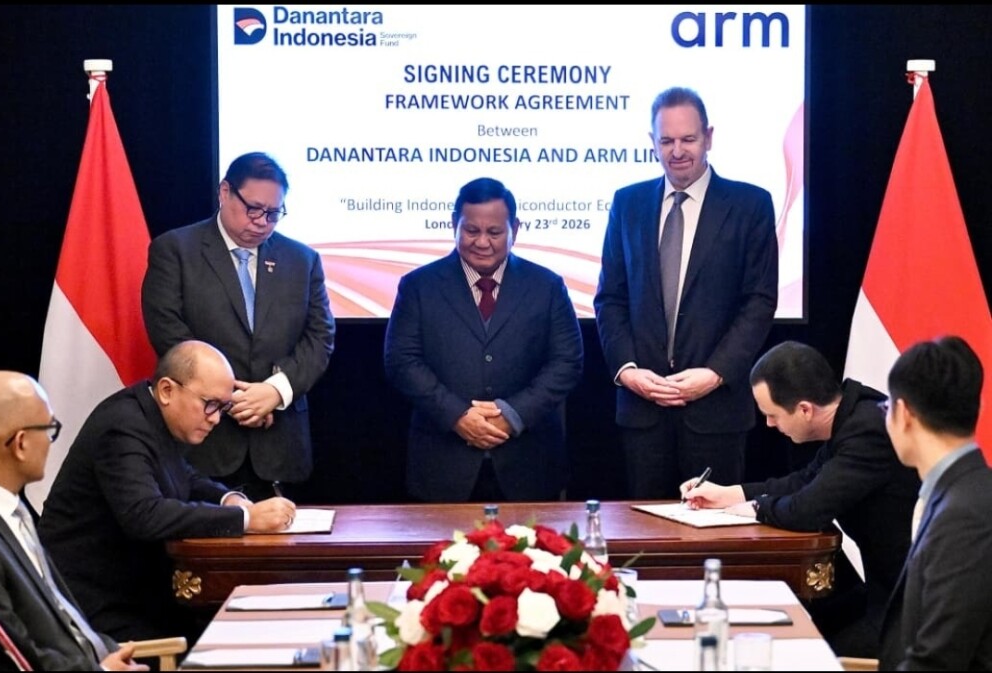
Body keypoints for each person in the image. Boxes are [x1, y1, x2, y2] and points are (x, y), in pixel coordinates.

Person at [38, 341, 297, 645]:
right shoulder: (122, 427)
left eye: (222, 408)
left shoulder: (153, 416)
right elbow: (144, 515)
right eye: (210, 404)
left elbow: (182, 476)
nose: (216, 418)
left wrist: (229, 498)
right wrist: (245, 519)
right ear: (166, 390)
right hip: (94, 608)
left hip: (141, 595)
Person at [594, 85, 778, 499]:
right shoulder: (627, 204)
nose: (677, 151)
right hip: (643, 411)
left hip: (716, 412)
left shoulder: (750, 205)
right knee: (645, 532)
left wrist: (715, 374)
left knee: (712, 527)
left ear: (708, 137)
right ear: (652, 142)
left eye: (688, 139)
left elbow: (759, 300)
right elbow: (611, 298)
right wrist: (627, 371)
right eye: (666, 141)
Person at [680, 341, 919, 657]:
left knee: (813, 651)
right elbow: (804, 481)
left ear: (805, 409)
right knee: (804, 622)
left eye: (773, 415)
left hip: (912, 607)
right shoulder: (852, 416)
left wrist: (755, 508)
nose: (769, 424)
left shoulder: (867, 432)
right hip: (885, 592)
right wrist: (728, 494)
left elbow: (807, 510)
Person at [141, 151, 336, 501]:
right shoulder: (176, 250)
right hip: (204, 443)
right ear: (225, 192)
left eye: (273, 213)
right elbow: (168, 333)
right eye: (254, 209)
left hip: (279, 445)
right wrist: (234, 398)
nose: (262, 222)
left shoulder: (302, 260)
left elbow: (320, 337)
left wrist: (275, 392)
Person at [384, 177, 583, 502]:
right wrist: (457, 416)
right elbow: (402, 362)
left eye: (494, 232)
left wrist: (512, 415)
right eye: (471, 231)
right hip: (443, 466)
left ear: (515, 229)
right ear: (454, 224)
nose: (482, 242)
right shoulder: (419, 286)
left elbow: (566, 363)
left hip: (530, 466)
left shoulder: (547, 286)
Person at [0, 370, 148, 670]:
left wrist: (109, 655)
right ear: (21, 444)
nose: (51, 442)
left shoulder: (15, 514)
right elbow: (17, 657)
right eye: (49, 429)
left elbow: (65, 620)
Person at [878, 336, 992, 670]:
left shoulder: (965, 513)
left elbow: (939, 660)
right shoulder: (964, 489)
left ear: (904, 414)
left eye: (886, 408)